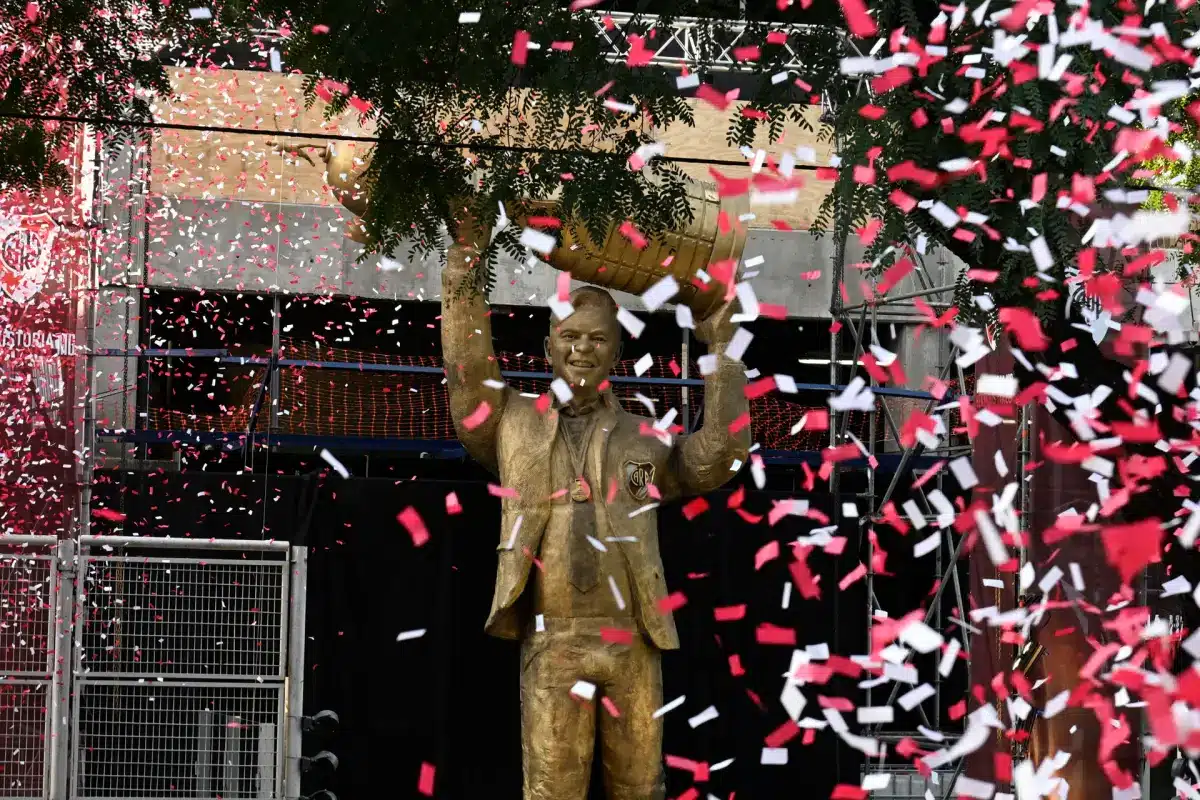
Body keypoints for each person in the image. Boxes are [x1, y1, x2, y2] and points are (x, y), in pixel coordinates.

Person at [440, 217, 750, 800]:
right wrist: (465, 256)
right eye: (570, 336)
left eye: (597, 338)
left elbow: (721, 460)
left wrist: (724, 351)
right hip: (550, 638)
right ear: (549, 346)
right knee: (552, 788)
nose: (582, 348)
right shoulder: (512, 425)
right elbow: (466, 369)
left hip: (632, 640)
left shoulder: (644, 438)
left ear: (616, 350)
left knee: (641, 787)